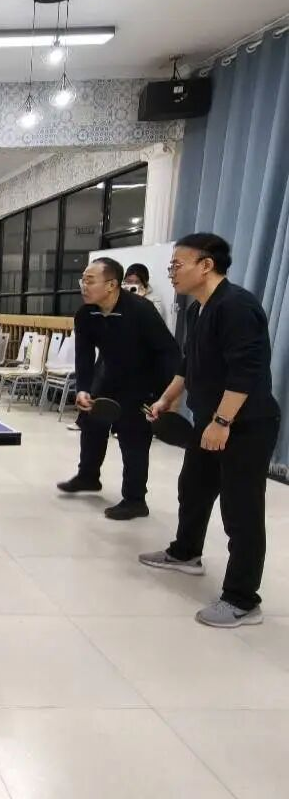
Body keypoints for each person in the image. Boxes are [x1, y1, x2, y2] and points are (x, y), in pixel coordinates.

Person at [140, 233, 280, 628]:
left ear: (206, 265)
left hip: (245, 425)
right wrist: (167, 398)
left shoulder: (236, 307)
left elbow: (246, 372)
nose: (171, 272)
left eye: (177, 265)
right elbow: (189, 363)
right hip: (210, 419)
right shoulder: (197, 310)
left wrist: (222, 422)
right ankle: (186, 553)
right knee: (194, 488)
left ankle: (242, 600)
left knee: (241, 510)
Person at [56, 257, 181, 520]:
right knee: (91, 424)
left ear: (112, 285)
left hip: (143, 380)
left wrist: (166, 395)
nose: (83, 286)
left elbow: (169, 352)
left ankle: (135, 500)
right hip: (108, 374)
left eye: (90, 280)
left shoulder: (141, 310)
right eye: (83, 280)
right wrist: (83, 388)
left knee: (132, 438)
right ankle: (88, 476)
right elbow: (84, 355)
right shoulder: (86, 314)